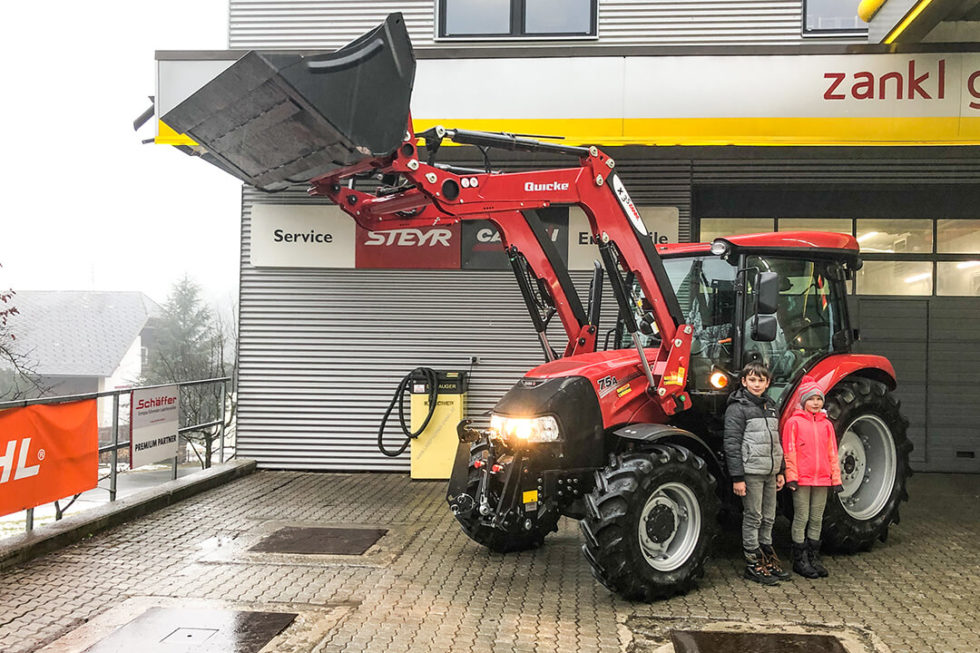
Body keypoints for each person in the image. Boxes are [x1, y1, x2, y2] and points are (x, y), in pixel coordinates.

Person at [723, 361, 789, 585]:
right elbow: (732, 444)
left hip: (770, 471)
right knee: (753, 517)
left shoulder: (771, 406)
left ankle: (767, 556)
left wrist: (780, 470)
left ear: (768, 383)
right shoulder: (737, 408)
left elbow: (776, 441)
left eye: (761, 380)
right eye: (752, 379)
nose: (756, 384)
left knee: (769, 517)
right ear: (743, 381)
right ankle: (753, 563)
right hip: (751, 472)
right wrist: (737, 478)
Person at [782, 375, 843, 579]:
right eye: (811, 399)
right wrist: (791, 476)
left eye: (819, 399)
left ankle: (813, 557)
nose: (816, 403)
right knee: (802, 517)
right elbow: (789, 452)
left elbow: (832, 453)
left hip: (822, 479)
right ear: (803, 401)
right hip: (802, 479)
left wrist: (836, 479)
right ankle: (799, 559)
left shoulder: (826, 425)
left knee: (816, 518)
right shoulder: (793, 423)